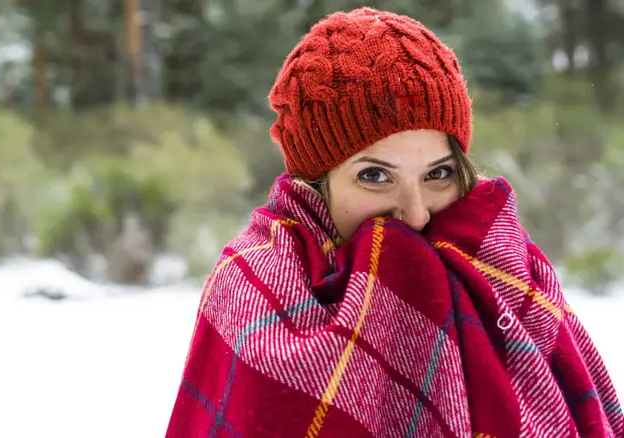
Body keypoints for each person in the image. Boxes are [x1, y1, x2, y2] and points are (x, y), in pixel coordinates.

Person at [165, 7, 623, 438]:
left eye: (437, 174)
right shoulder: (252, 291)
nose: (417, 213)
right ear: (317, 181)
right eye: (375, 176)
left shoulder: (507, 269)